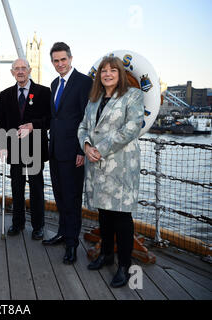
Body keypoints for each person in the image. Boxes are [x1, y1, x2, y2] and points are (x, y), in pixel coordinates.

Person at [78, 56, 144, 288]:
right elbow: (84, 126)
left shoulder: (133, 96)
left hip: (121, 165)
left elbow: (132, 127)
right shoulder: (94, 99)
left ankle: (124, 267)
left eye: (112, 70)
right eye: (103, 71)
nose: (107, 74)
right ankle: (106, 255)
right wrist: (86, 146)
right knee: (104, 213)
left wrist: (99, 148)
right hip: (96, 164)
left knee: (121, 216)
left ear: (120, 74)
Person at [44, 42, 92, 265]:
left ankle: (72, 244)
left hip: (74, 153)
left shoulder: (84, 83)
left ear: (71, 59)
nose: (60, 64)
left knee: (72, 199)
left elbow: (87, 119)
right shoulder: (54, 84)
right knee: (60, 196)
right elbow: (55, 117)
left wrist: (81, 150)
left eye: (63, 59)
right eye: (56, 60)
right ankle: (63, 233)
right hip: (55, 151)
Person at [0, 58, 51, 240]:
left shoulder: (43, 92)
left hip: (36, 148)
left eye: (23, 68)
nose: (20, 71)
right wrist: (3, 145)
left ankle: (38, 226)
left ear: (29, 70)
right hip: (14, 149)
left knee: (36, 188)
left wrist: (32, 126)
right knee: (16, 187)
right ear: (12, 72)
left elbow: (49, 120)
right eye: (16, 69)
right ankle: (17, 223)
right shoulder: (5, 95)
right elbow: (1, 124)